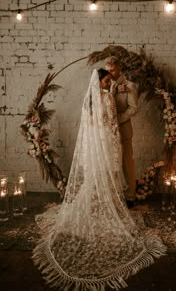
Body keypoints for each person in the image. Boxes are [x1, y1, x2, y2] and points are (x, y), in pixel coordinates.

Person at [33, 69, 166, 291]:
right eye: (106, 80)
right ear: (101, 82)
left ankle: (98, 203)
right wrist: (115, 139)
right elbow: (112, 121)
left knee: (98, 176)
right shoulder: (105, 96)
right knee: (108, 174)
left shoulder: (90, 99)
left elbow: (93, 123)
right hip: (108, 140)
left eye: (109, 80)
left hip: (96, 142)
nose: (109, 82)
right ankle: (108, 204)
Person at [105, 56, 138, 208]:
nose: (110, 73)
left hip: (123, 130)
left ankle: (131, 195)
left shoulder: (129, 85)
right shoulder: (104, 84)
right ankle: (115, 195)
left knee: (126, 163)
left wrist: (117, 119)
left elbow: (134, 108)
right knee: (112, 164)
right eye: (107, 70)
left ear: (119, 68)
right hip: (108, 132)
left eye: (112, 69)